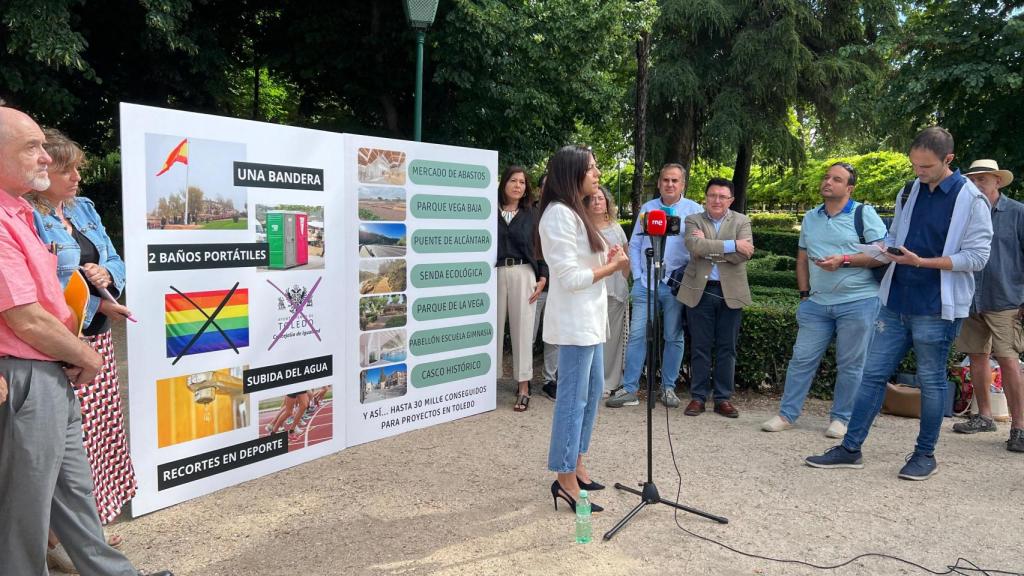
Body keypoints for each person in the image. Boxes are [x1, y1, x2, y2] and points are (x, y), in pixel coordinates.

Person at [0, 106, 172, 575]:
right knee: (23, 513)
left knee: (74, 495)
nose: (45, 157)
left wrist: (84, 340)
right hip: (28, 375)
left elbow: (54, 297)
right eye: (32, 147)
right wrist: (86, 356)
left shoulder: (18, 212)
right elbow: (26, 318)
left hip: (52, 368)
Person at [806, 127, 993, 481]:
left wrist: (921, 262)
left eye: (926, 166)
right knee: (872, 375)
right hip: (895, 300)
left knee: (932, 381)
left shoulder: (973, 199)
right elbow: (894, 239)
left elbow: (977, 257)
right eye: (915, 164)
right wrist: (867, 253)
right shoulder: (908, 190)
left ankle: (925, 456)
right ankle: (850, 449)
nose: (918, 172)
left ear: (948, 160)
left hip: (937, 306)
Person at [27, 129, 138, 568]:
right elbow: (38, 290)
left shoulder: (84, 209)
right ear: (42, 172)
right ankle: (54, 541)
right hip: (61, 347)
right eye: (66, 169)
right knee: (63, 449)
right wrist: (82, 287)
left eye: (77, 169)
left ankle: (84, 536)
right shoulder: (26, 218)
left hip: (96, 343)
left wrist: (107, 276)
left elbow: (116, 259)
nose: (76, 177)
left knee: (97, 442)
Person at [762, 163, 886, 437]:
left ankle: (842, 418)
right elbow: (802, 258)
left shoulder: (864, 214)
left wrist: (844, 261)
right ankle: (787, 414)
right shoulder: (810, 217)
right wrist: (804, 295)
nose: (828, 182)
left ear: (849, 188)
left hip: (859, 301)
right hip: (816, 304)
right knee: (801, 359)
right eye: (826, 177)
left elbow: (882, 255)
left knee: (851, 363)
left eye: (836, 179)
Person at [539, 145, 628, 513]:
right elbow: (571, 277)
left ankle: (577, 462)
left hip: (591, 322)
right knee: (572, 401)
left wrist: (607, 259)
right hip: (575, 325)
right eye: (591, 169)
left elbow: (583, 263)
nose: (597, 174)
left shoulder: (577, 213)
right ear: (572, 173)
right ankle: (564, 479)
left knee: (591, 396)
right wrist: (610, 268)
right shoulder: (557, 215)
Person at [606, 163, 701, 409]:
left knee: (674, 336)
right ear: (659, 183)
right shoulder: (647, 209)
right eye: (665, 180)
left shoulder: (694, 211)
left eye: (675, 181)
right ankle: (630, 389)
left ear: (683, 184)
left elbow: (697, 249)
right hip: (645, 284)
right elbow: (636, 244)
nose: (670, 184)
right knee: (637, 336)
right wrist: (638, 276)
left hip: (675, 286)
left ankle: (668, 388)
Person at [950, 159, 1023, 452]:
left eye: (983, 179)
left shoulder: (1018, 212)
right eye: (973, 179)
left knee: (1008, 360)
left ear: (997, 181)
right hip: (971, 296)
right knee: (976, 356)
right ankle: (984, 416)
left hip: (1006, 297)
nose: (977, 183)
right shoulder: (964, 213)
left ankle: (1019, 427)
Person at [676, 178, 753, 418]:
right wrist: (732, 245)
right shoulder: (693, 219)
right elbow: (694, 246)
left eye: (722, 196)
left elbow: (746, 254)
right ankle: (698, 397)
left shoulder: (742, 220)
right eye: (712, 195)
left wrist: (710, 248)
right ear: (706, 197)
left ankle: (722, 398)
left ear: (730, 199)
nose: (717, 200)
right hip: (699, 290)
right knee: (699, 346)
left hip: (731, 292)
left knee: (726, 348)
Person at [496, 165, 548, 412]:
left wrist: (543, 276)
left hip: (524, 271)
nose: (518, 186)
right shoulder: (489, 212)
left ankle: (524, 387)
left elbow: (541, 246)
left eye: (522, 182)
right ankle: (486, 382)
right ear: (503, 183)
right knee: (491, 328)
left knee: (523, 330)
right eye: (513, 181)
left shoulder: (532, 214)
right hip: (493, 273)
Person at [584, 185, 630, 394]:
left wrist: (623, 279)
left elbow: (626, 258)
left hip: (614, 290)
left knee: (611, 339)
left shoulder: (616, 228)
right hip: (590, 289)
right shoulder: (582, 227)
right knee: (592, 336)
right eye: (592, 198)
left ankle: (609, 382)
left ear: (607, 203)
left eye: (600, 199)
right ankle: (590, 382)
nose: (596, 202)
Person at [530, 173, 560, 400]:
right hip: (535, 283)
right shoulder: (530, 214)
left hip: (559, 286)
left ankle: (550, 380)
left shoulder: (565, 213)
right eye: (545, 185)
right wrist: (542, 275)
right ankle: (525, 378)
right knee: (528, 334)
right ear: (540, 189)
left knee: (554, 337)